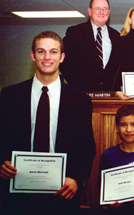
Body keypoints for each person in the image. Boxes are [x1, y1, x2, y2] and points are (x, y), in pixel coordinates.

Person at [0, 31, 96, 215]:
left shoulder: (80, 99)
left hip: (62, 191)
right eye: (41, 51)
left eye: (53, 52)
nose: (47, 57)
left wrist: (76, 179)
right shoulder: (10, 95)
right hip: (18, 190)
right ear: (32, 56)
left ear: (62, 57)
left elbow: (86, 147)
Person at [60, 0, 120, 91]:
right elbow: (64, 63)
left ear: (108, 12)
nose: (101, 12)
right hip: (81, 94)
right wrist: (77, 87)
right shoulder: (75, 32)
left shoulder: (117, 36)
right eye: (97, 8)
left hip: (109, 95)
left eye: (105, 9)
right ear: (89, 11)